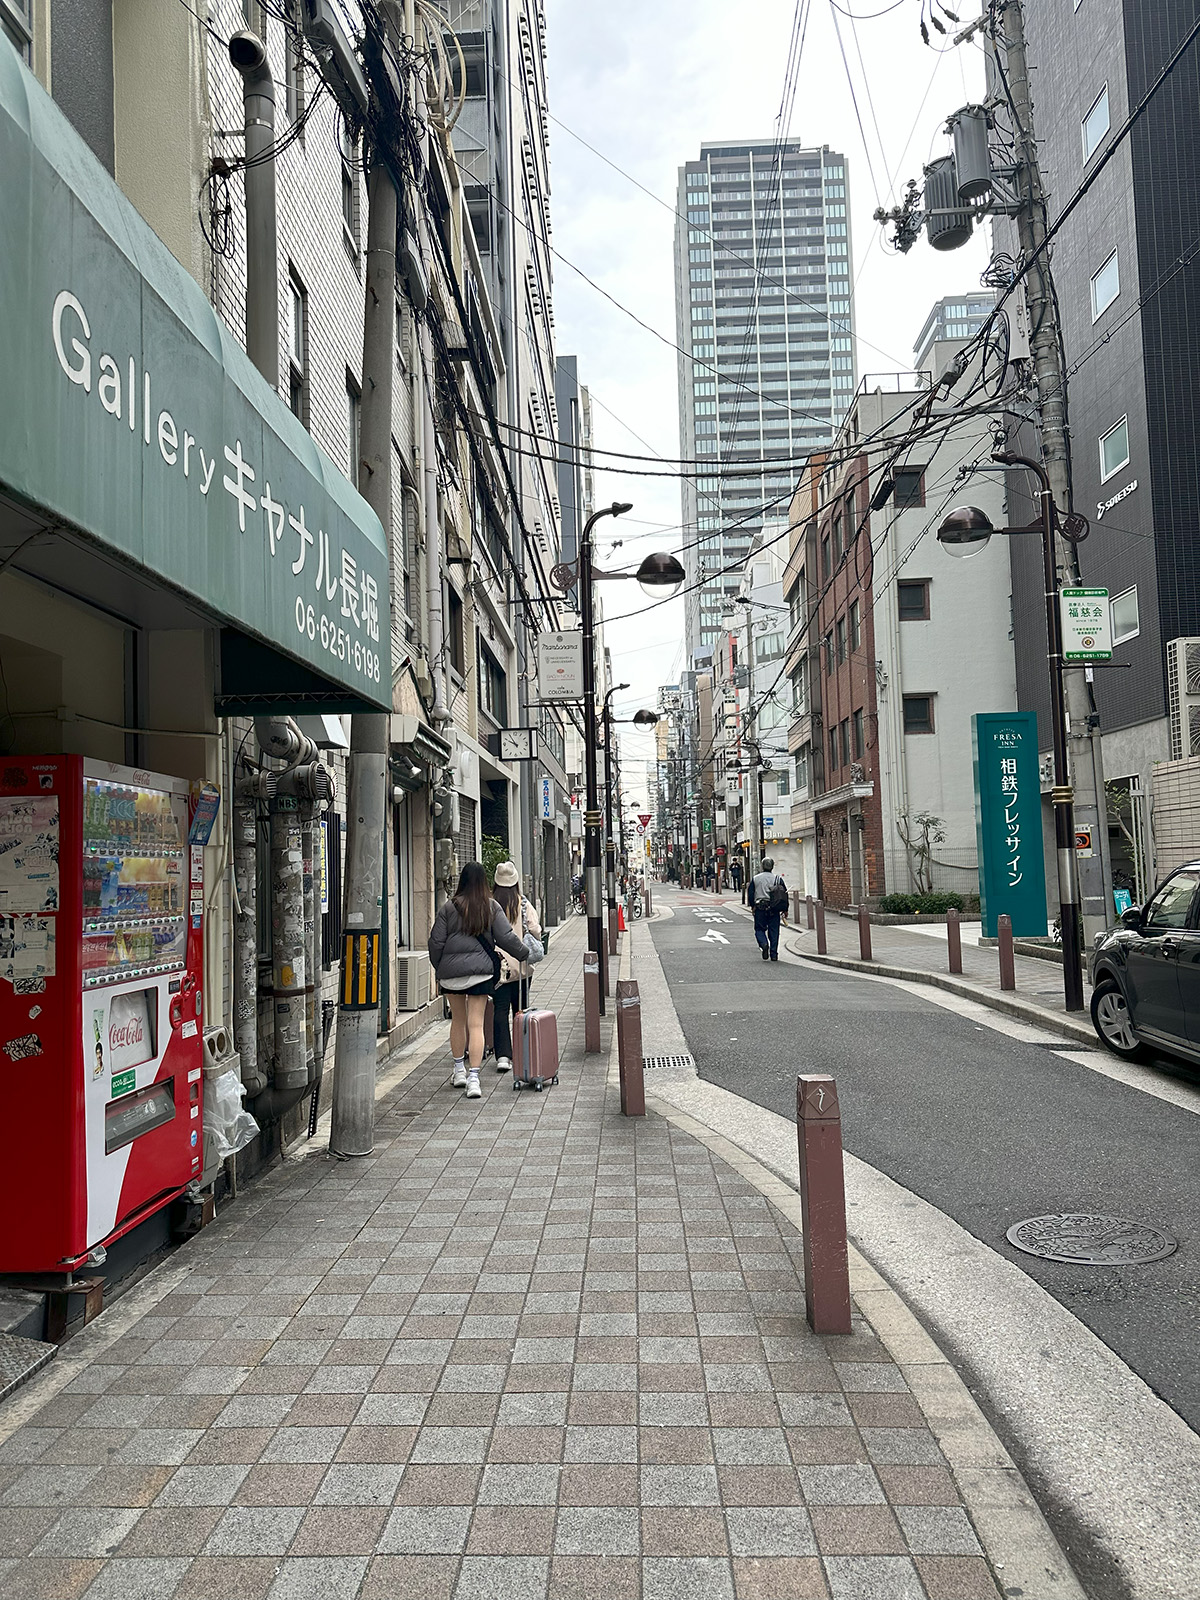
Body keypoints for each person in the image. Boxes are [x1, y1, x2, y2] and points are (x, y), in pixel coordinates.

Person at [428, 861, 530, 1098]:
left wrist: (441, 967)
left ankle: (458, 1071)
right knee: (476, 1024)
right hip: (481, 973)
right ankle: (474, 1079)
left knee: (458, 1022)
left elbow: (435, 943)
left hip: (451, 975)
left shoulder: (448, 908)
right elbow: (506, 938)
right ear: (485, 882)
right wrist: (523, 954)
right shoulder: (491, 907)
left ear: (462, 881)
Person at [491, 861, 542, 1076]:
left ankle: (503, 1056)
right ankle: (523, 1051)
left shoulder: (491, 904)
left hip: (499, 967)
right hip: (521, 967)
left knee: (500, 1010)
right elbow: (535, 930)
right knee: (520, 1010)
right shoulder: (523, 904)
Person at [748, 855, 786, 962]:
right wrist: (785, 909)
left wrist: (753, 906)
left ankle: (764, 944)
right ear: (772, 867)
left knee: (759, 929)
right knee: (774, 931)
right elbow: (784, 894)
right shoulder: (778, 879)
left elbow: (751, 894)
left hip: (760, 907)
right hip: (774, 908)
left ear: (762, 866)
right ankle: (774, 954)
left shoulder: (755, 879)